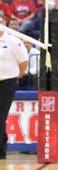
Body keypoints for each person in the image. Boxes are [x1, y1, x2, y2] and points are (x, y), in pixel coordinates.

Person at [0, 26, 28, 158]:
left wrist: (17, 77)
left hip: (7, 82)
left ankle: (1, 150)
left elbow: (23, 62)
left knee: (1, 116)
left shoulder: (12, 40)